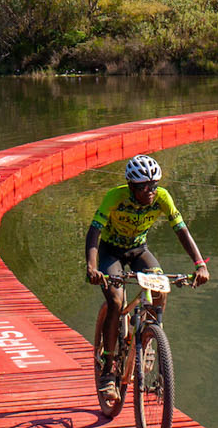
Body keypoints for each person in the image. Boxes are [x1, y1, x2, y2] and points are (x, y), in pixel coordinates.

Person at [84, 155, 209, 408]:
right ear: (131, 186)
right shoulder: (114, 197)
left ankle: (149, 339)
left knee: (161, 289)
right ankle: (108, 370)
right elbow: (94, 231)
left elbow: (181, 229)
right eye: (143, 187)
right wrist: (92, 266)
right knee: (116, 301)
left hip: (138, 249)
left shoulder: (162, 197)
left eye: (154, 185)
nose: (150, 191)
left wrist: (199, 264)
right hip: (111, 251)